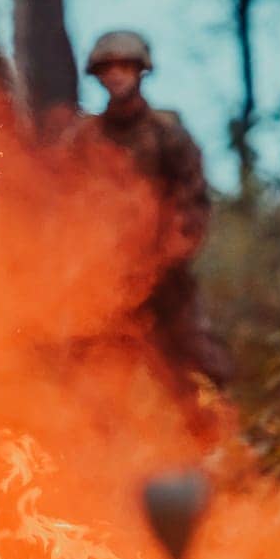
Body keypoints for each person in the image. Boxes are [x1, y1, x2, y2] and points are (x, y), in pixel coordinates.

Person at [66, 30, 233, 392]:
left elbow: (193, 198)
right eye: (107, 68)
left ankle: (216, 441)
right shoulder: (84, 138)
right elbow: (67, 202)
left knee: (194, 362)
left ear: (140, 71)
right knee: (95, 369)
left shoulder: (166, 133)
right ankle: (103, 447)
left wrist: (171, 255)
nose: (116, 75)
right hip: (106, 276)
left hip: (164, 271)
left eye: (125, 66)